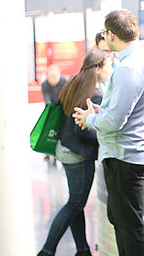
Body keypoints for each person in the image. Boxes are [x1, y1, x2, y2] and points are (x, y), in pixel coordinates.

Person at [72, 9, 144, 256]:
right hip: (132, 152)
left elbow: (114, 121)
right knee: (121, 220)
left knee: (128, 226)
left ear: (111, 35)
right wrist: (101, 110)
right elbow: (130, 108)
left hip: (125, 155)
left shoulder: (128, 68)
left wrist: (89, 118)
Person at [37, 49, 112, 256]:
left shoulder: (73, 83)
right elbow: (87, 129)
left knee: (76, 202)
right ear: (97, 68)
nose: (110, 70)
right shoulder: (94, 93)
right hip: (78, 153)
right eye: (107, 65)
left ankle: (82, 249)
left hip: (65, 149)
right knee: (75, 203)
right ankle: (47, 250)